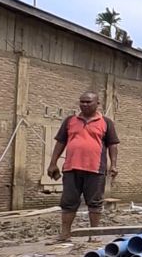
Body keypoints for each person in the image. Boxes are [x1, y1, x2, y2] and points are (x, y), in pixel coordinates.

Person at [47, 92, 120, 239]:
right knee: (68, 202)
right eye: (82, 102)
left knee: (95, 203)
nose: (85, 104)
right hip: (71, 168)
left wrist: (113, 165)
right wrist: (53, 163)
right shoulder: (70, 121)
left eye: (88, 102)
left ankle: (94, 234)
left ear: (97, 104)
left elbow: (112, 145)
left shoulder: (106, 122)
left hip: (95, 169)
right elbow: (60, 142)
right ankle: (65, 233)